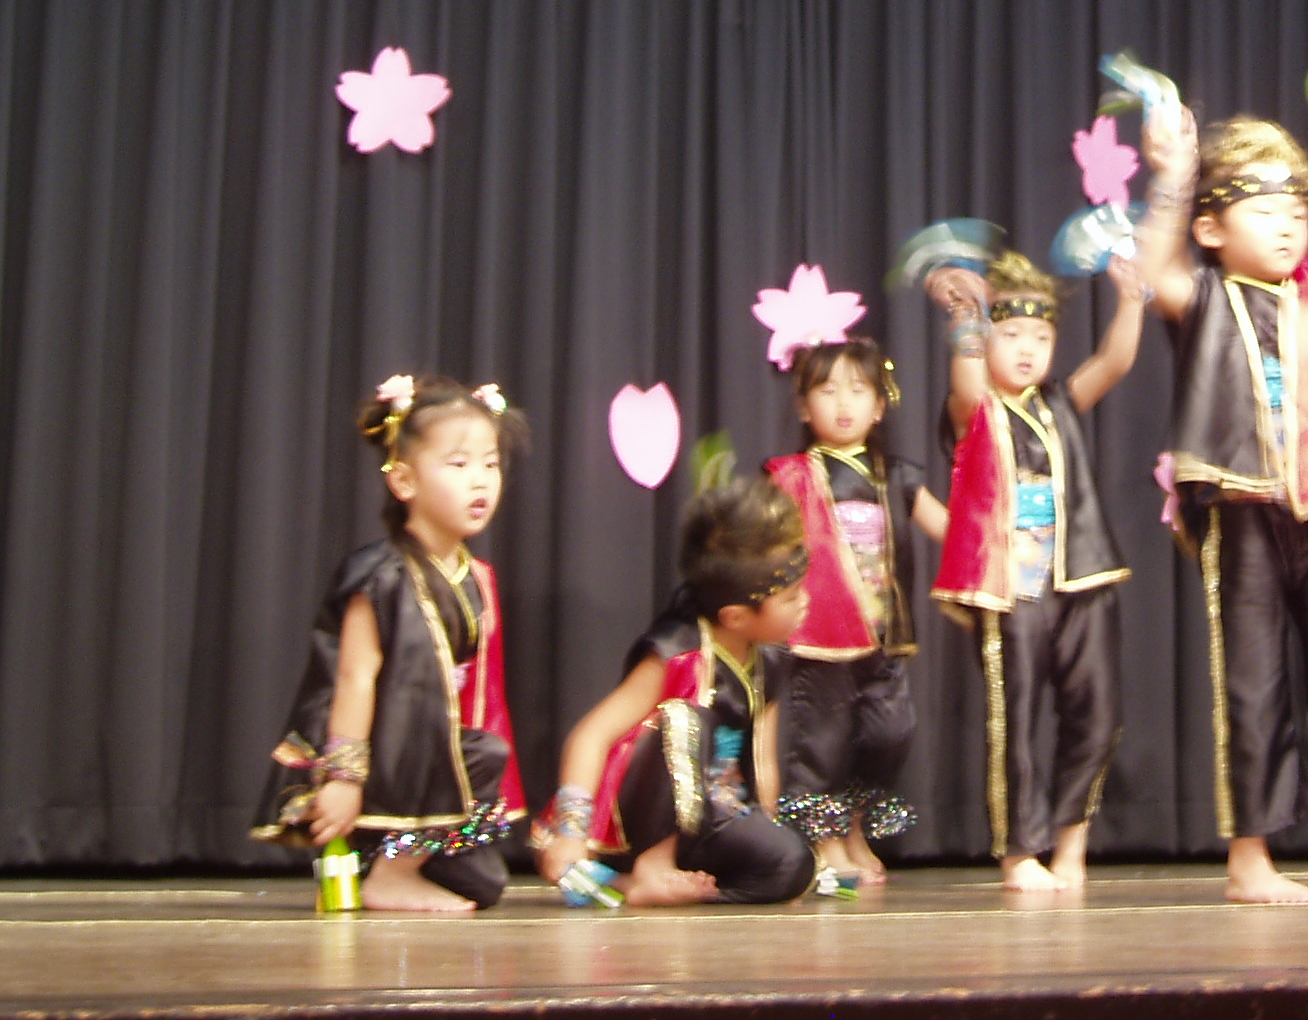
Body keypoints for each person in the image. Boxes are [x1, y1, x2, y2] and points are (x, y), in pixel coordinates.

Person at [1132, 72, 1308, 904]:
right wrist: (1174, 175)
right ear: (1212, 229)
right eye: (1265, 211)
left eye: (1298, 209)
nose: (1290, 224)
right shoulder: (1202, 294)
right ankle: (1250, 861)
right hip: (1244, 511)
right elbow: (1153, 269)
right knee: (1253, 682)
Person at [252, 374, 525, 911]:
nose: (480, 481)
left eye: (490, 464)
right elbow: (354, 677)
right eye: (458, 464)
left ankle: (388, 856)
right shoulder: (381, 575)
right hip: (381, 751)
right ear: (403, 481)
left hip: (429, 756)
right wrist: (344, 778)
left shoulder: (470, 575)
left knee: (484, 882)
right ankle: (390, 873)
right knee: (475, 750)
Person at [926, 248, 1147, 890]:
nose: (1028, 348)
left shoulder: (1060, 402)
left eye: (1042, 337)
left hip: (1080, 576)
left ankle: (1071, 844)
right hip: (1009, 586)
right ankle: (1018, 851)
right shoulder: (973, 409)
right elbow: (970, 382)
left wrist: (1132, 299)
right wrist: (968, 317)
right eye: (1012, 334)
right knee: (1015, 720)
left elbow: (1113, 362)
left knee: (1097, 715)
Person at [537, 477, 818, 905]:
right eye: (791, 597)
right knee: (686, 718)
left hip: (715, 818)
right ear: (736, 616)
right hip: (644, 821)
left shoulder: (772, 660)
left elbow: (762, 761)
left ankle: (654, 888)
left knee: (793, 865)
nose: (805, 602)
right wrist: (571, 832)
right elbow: (591, 735)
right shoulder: (678, 653)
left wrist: (767, 830)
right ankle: (651, 865)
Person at [765, 336, 947, 883]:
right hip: (821, 637)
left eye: (858, 390)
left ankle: (855, 828)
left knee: (891, 734)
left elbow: (952, 530)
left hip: (885, 635)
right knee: (821, 742)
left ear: (879, 405)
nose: (844, 403)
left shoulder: (899, 476)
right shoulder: (790, 476)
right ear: (804, 407)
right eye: (827, 391)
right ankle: (824, 842)